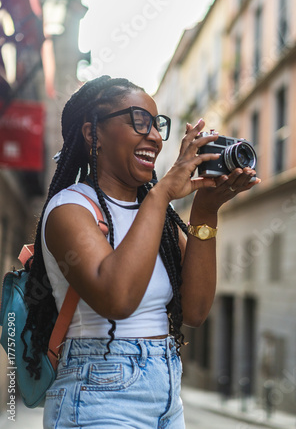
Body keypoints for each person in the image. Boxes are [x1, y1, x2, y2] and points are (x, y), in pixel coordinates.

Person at [22, 75, 260, 428]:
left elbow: (194, 310)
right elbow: (117, 298)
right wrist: (162, 192)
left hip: (166, 395)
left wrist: (206, 210)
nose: (152, 135)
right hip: (97, 393)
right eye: (138, 120)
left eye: (156, 124)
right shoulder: (70, 209)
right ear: (93, 134)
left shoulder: (158, 218)